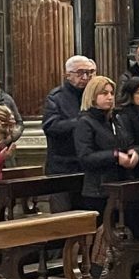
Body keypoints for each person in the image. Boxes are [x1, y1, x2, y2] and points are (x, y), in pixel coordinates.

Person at [74, 75, 139, 217]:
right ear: (92, 96)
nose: (110, 97)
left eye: (111, 93)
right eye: (104, 93)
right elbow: (85, 157)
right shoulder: (85, 122)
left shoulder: (115, 120)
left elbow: (126, 143)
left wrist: (133, 152)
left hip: (120, 184)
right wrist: (115, 156)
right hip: (98, 190)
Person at [43, 56, 95, 211]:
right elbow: (51, 126)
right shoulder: (56, 97)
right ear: (67, 75)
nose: (85, 77)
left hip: (87, 166)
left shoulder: (95, 95)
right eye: (80, 73)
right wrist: (81, 122)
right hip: (62, 166)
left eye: (89, 73)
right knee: (64, 216)